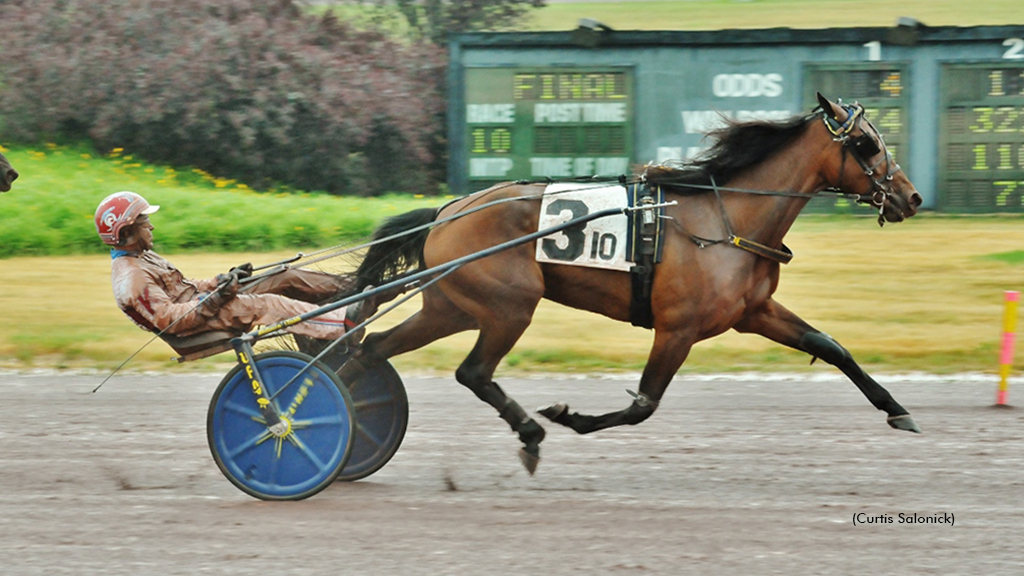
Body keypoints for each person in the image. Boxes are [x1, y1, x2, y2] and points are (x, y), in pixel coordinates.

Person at [95, 191, 375, 344]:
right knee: (266, 304)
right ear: (127, 232)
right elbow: (171, 319)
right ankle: (342, 323)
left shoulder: (144, 257)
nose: (152, 226)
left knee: (283, 274)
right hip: (196, 325)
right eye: (145, 222)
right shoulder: (132, 278)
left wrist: (222, 280)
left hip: (203, 304)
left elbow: (185, 287)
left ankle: (356, 290)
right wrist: (216, 297)